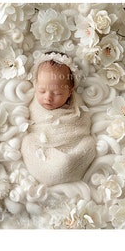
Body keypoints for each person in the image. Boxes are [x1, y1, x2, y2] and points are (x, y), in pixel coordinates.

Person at [21, 51, 96, 186]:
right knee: (27, 142)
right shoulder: (33, 106)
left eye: (57, 93)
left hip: (71, 150)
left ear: (70, 91)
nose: (48, 97)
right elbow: (29, 126)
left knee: (88, 145)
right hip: (42, 151)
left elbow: (83, 125)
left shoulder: (77, 106)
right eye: (42, 91)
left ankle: (66, 167)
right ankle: (51, 171)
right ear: (36, 84)